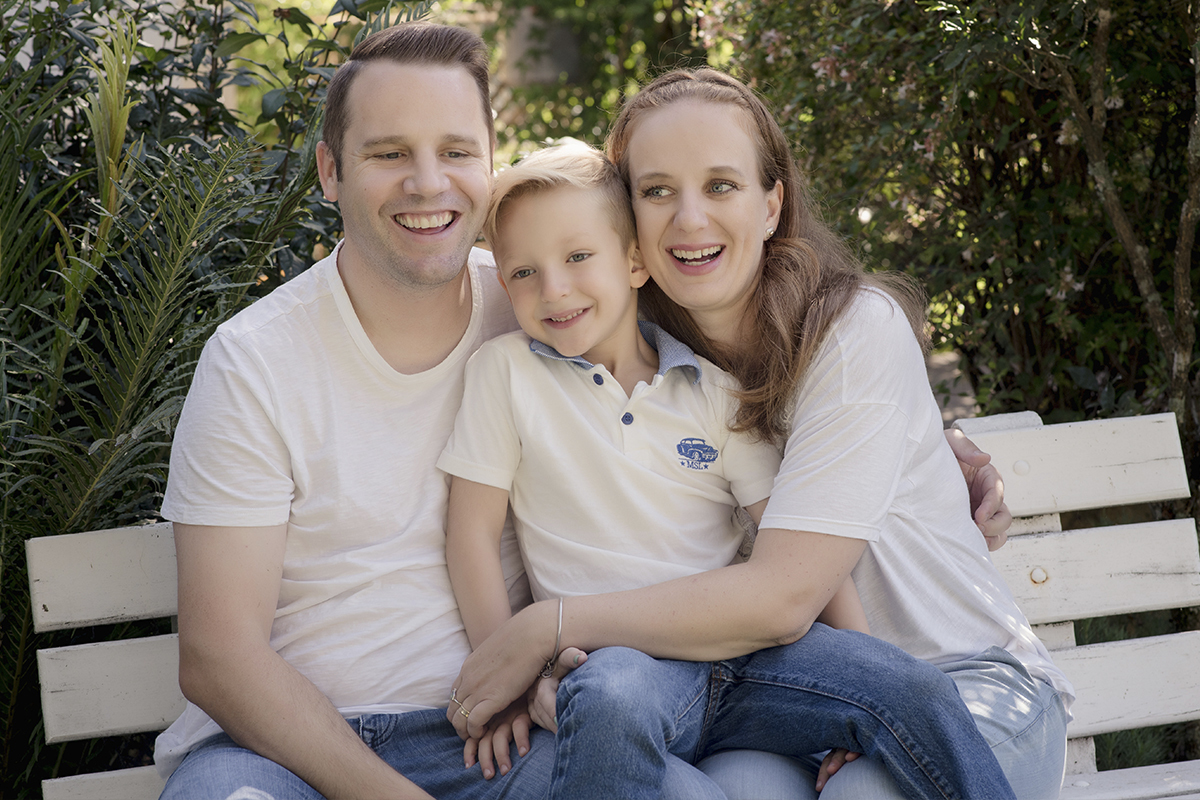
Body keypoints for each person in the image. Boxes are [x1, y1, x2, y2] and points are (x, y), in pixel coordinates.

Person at [152, 19, 1013, 800]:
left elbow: (737, 361)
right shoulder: (257, 360)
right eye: (386, 154)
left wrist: (935, 440)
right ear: (331, 171)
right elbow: (220, 658)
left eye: (456, 150)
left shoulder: (539, 305)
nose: (426, 183)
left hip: (510, 740)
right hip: (303, 753)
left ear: (488, 171)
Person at [446, 68, 1073, 800]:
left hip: (959, 681)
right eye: (657, 191)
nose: (688, 219)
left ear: (772, 203)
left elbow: (783, 597)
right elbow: (517, 252)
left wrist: (545, 630)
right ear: (631, 229)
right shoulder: (632, 343)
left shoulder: (851, 329)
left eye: (721, 186)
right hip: (776, 706)